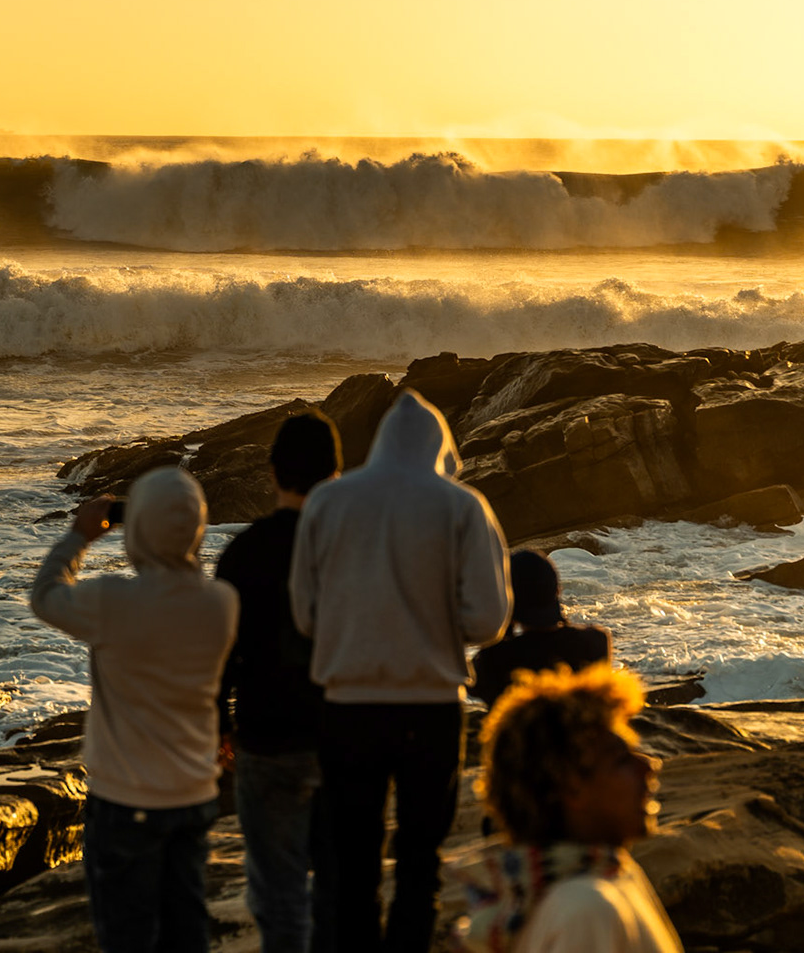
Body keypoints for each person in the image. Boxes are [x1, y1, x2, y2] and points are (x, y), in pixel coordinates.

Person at [289, 389, 512, 953]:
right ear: (441, 447)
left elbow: (305, 614)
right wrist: (435, 624)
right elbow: (487, 619)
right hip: (429, 704)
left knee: (354, 861)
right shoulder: (461, 506)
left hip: (346, 706)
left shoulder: (327, 502)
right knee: (420, 858)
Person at [31, 465, 239, 953]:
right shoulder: (223, 603)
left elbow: (45, 595)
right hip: (192, 794)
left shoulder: (111, 601)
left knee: (127, 934)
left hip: (125, 800)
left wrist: (79, 538)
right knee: (185, 925)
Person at [215, 410, 342, 953]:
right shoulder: (354, 548)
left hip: (266, 739)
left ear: (272, 472)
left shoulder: (242, 553)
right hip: (345, 735)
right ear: (337, 472)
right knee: (341, 885)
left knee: (277, 892)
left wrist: (221, 725)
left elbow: (219, 657)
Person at [457, 664, 681, 953]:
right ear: (571, 788)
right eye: (621, 760)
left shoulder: (610, 873)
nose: (649, 765)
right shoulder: (585, 906)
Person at [471, 549, 612, 707]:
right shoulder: (595, 642)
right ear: (557, 590)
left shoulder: (494, 659)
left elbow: (479, 689)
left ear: (508, 600)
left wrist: (503, 623)